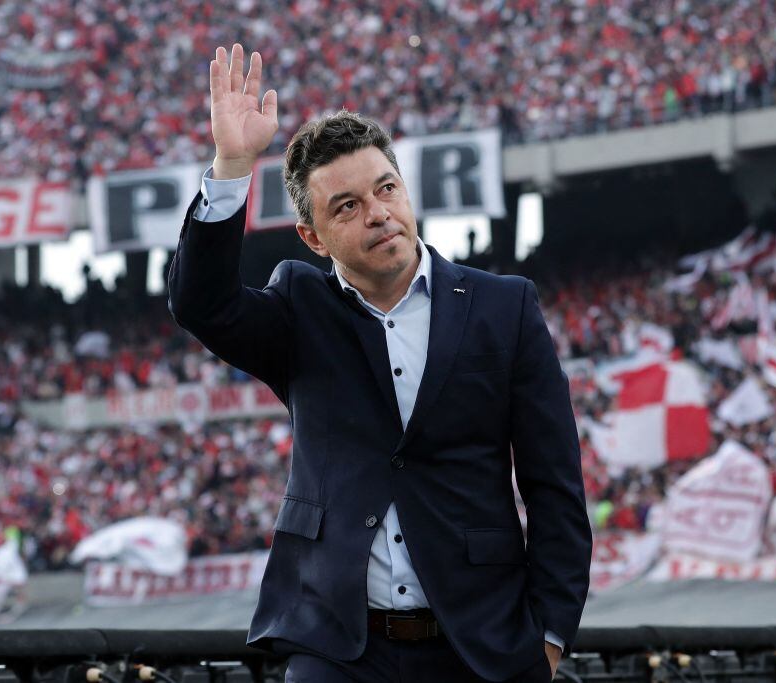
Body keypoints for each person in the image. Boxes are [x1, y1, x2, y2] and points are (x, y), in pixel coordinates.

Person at [168, 44, 592, 683]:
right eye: (347, 206)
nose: (378, 214)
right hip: (337, 649)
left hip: (481, 644)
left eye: (386, 189)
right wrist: (232, 164)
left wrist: (552, 636)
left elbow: (555, 485)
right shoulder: (297, 305)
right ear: (313, 236)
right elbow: (201, 304)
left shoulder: (505, 307)